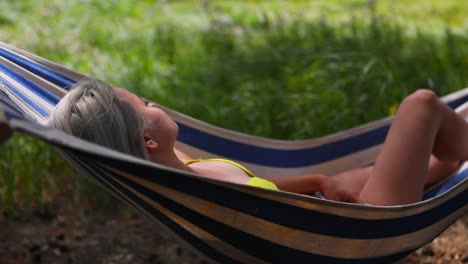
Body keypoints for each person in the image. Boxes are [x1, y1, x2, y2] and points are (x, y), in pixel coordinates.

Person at [48, 79, 466, 206]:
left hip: (341, 208)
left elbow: (266, 194)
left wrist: (319, 179)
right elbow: (268, 212)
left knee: (417, 164)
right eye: (145, 104)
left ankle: (454, 161)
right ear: (146, 140)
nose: (154, 102)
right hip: (366, 226)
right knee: (422, 105)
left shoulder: (190, 170)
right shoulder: (203, 190)